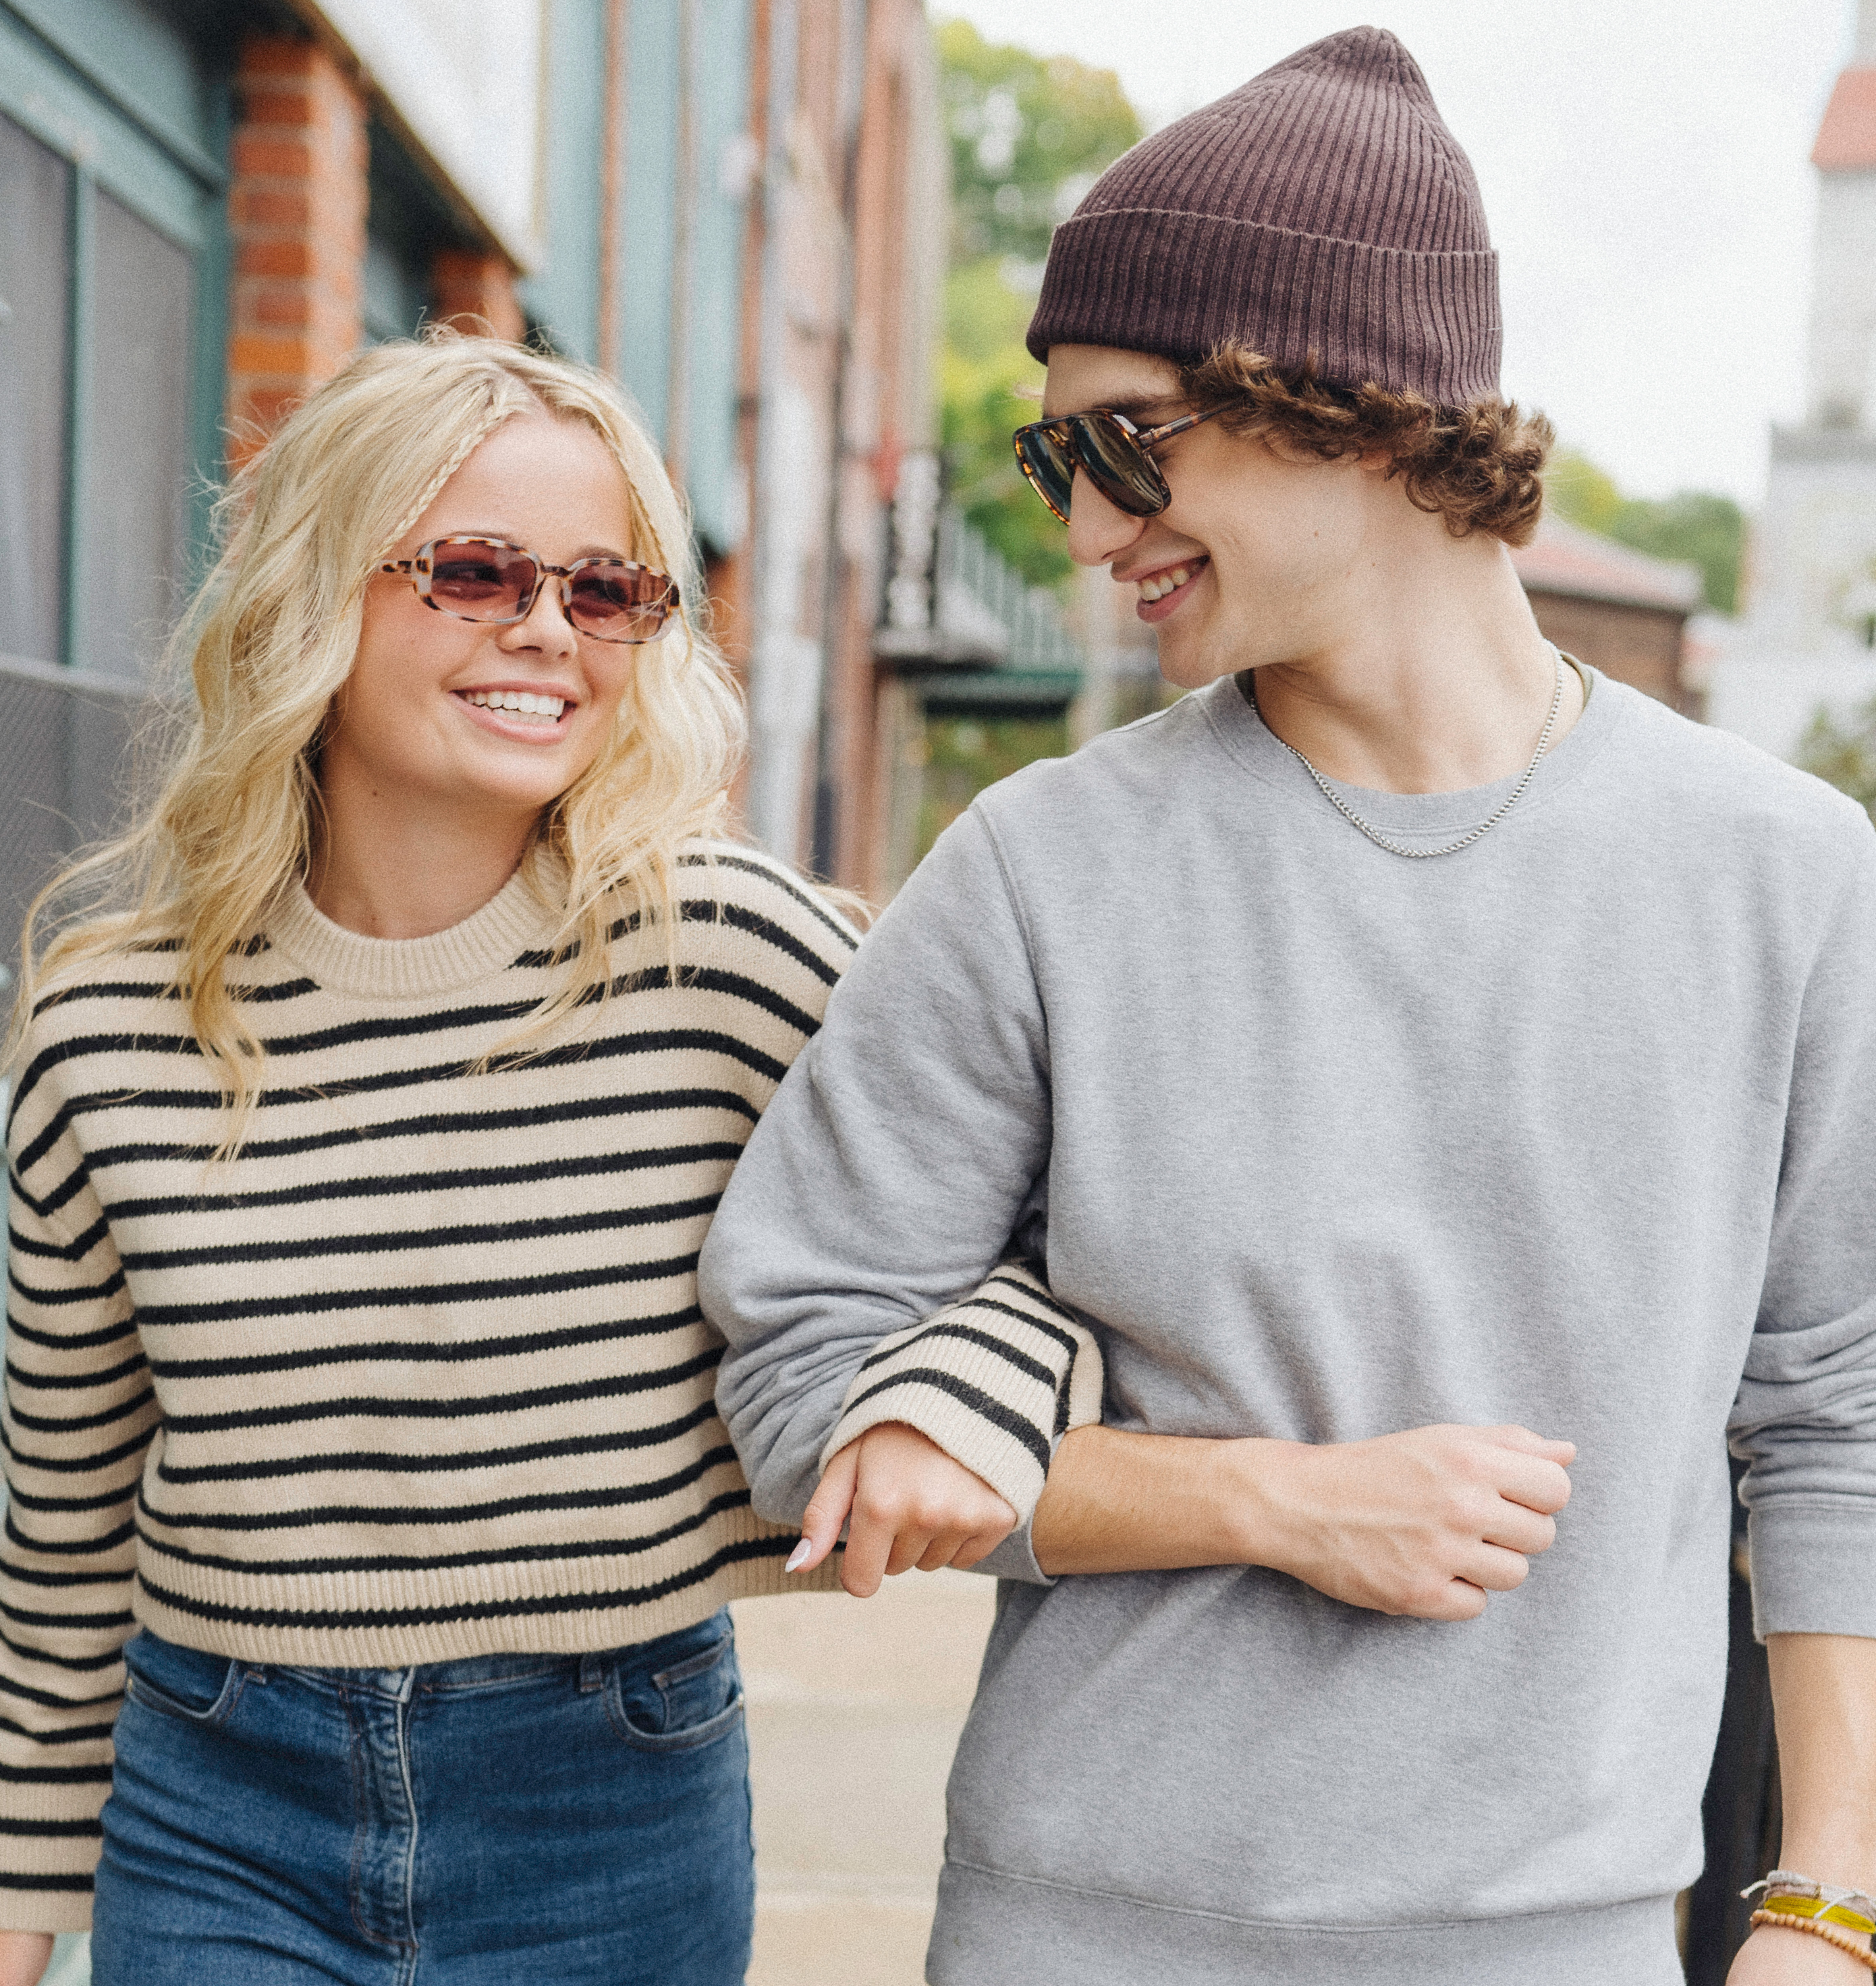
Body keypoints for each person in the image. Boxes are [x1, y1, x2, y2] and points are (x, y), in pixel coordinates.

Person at [702, 28, 1876, 1986]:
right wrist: (1275, 1500)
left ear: (1349, 398)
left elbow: (1833, 1404)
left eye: (1119, 443)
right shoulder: (1041, 870)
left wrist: (1827, 1897)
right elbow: (800, 1378)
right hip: (1082, 1934)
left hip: (1564, 1943)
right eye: (1050, 459)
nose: (1082, 532)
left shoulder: (1784, 874)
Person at [0, 333, 1096, 1986]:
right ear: (313, 595)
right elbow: (64, 1516)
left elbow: (1057, 1216)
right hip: (212, 1796)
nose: (547, 627)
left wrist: (951, 1390)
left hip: (603, 1795)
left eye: (609, 589)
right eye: (474, 569)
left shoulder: (727, 958)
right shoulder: (109, 1023)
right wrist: (9, 1904)